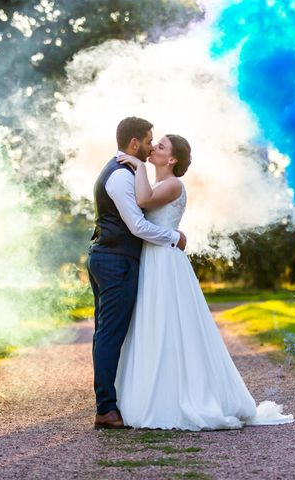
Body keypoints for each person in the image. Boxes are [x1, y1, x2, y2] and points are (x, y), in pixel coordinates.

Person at [114, 134, 294, 430]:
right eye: (154, 144)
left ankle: (183, 397)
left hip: (166, 262)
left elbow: (143, 201)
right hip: (153, 258)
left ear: (171, 159)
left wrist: (136, 164)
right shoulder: (159, 183)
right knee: (154, 323)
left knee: (172, 324)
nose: (153, 148)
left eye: (160, 147)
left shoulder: (173, 184)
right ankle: (153, 391)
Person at [87, 117, 187, 429]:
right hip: (115, 261)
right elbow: (138, 225)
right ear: (134, 144)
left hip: (118, 259)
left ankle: (119, 401)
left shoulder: (131, 173)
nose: (150, 146)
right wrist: (175, 238)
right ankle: (105, 408)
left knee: (116, 331)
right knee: (110, 333)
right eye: (148, 141)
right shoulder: (121, 176)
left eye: (157, 143)